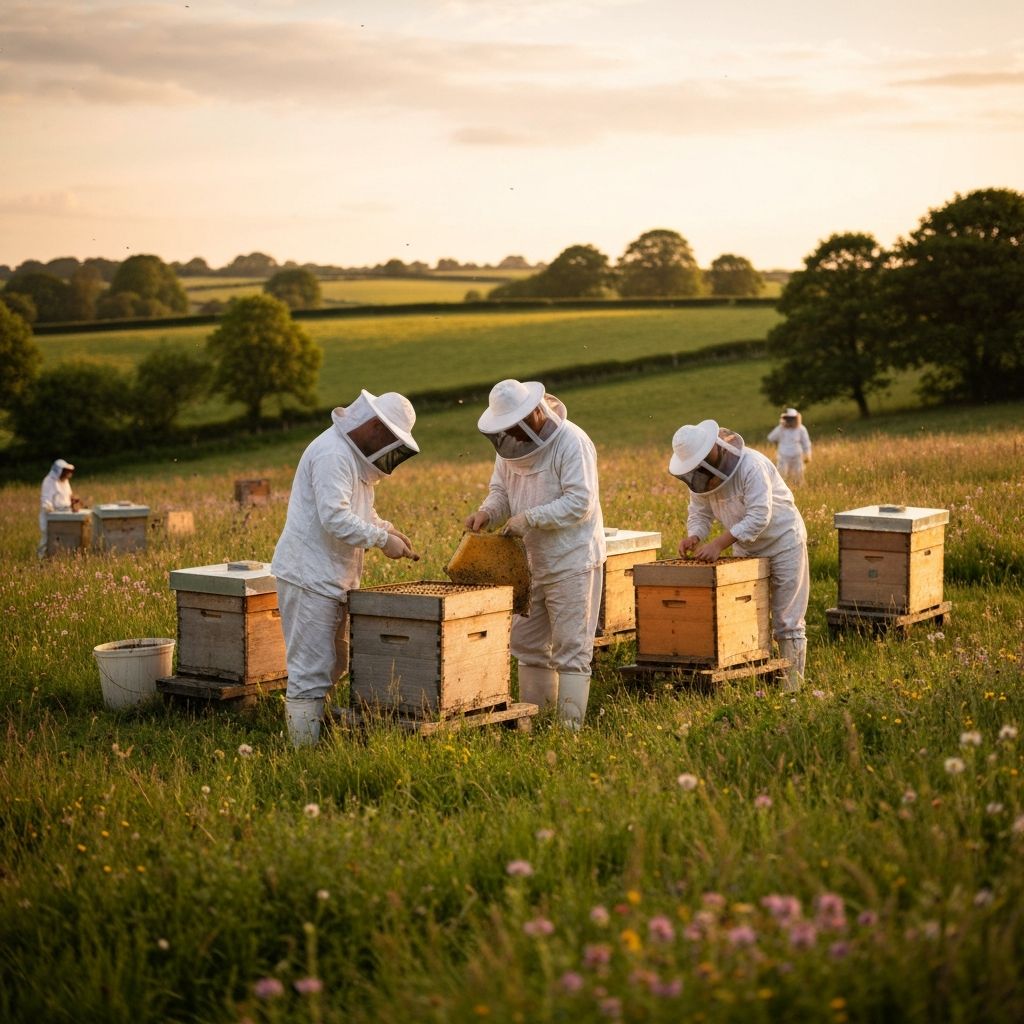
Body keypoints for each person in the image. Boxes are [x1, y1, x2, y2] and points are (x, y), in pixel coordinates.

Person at [271, 390, 421, 746]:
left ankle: (314, 731)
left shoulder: (353, 460)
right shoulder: (333, 454)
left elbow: (360, 514)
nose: (388, 447)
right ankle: (301, 751)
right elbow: (335, 518)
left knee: (335, 662)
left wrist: (387, 530)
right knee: (310, 668)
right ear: (371, 425)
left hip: (333, 577)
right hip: (309, 576)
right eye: (388, 437)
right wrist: (382, 541)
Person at [465, 379, 606, 730]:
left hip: (572, 560)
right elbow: (501, 491)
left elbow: (580, 503)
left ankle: (569, 731)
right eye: (506, 429)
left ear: (535, 413)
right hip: (528, 564)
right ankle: (537, 720)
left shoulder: (572, 442)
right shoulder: (509, 447)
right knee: (527, 644)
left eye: (515, 426)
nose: (512, 435)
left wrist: (530, 519)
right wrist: (486, 513)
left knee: (571, 648)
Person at [670, 419, 809, 692]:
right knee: (746, 615)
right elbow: (699, 512)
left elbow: (760, 515)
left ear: (715, 446)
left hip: (783, 542)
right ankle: (761, 681)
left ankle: (792, 689)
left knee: (787, 620)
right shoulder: (699, 477)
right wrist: (695, 536)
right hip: (745, 547)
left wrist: (719, 543)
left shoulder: (751, 465)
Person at [38, 458, 79, 559]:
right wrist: (51, 510)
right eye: (66, 471)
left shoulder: (65, 482)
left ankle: (60, 559)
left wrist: (73, 500)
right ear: (59, 471)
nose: (68, 474)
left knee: (63, 540)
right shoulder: (48, 481)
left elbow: (68, 495)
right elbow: (46, 501)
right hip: (51, 516)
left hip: (65, 515)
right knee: (47, 539)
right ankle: (41, 559)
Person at [767, 407, 812, 485]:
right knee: (782, 476)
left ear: (796, 418)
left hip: (797, 456)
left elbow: (806, 443)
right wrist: (780, 429)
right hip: (783, 457)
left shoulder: (801, 429)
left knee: (799, 476)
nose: (790, 420)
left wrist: (808, 454)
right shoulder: (781, 428)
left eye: (792, 418)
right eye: (788, 418)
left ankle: (799, 489)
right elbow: (771, 437)